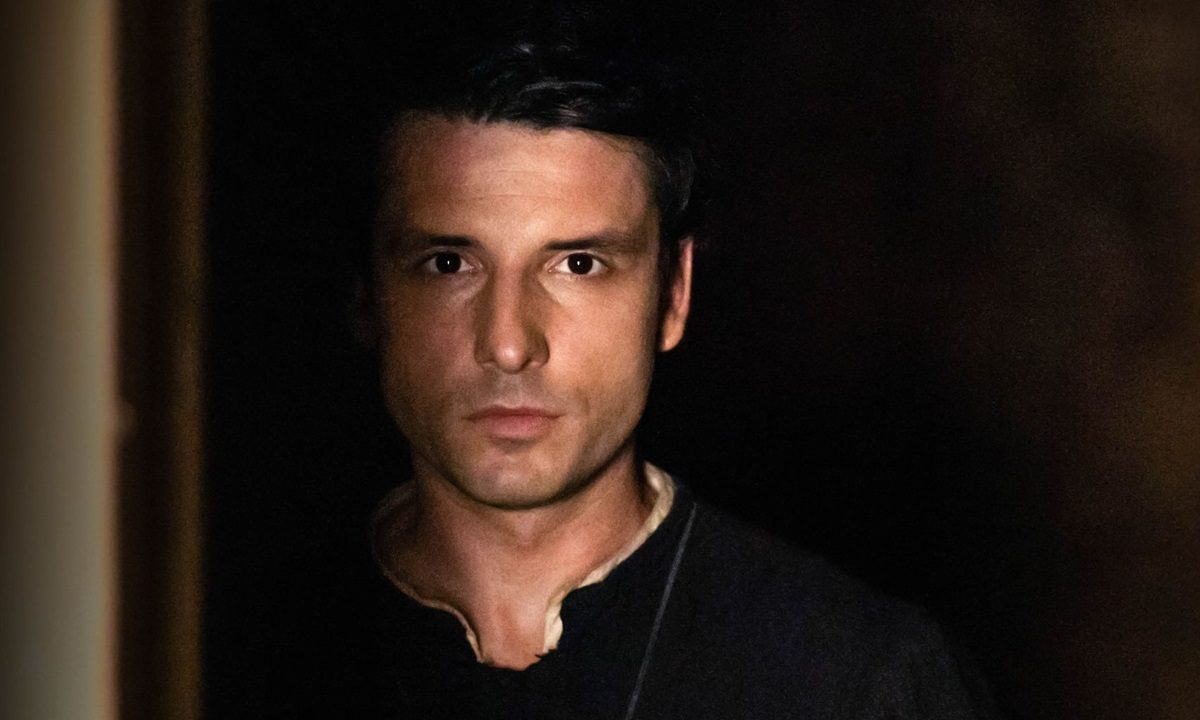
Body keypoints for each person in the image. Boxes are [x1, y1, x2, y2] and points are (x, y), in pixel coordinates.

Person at [309, 7, 995, 718]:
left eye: (579, 264)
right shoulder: (247, 646)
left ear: (674, 293)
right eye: (449, 263)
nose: (509, 345)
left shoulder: (862, 677)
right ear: (367, 296)